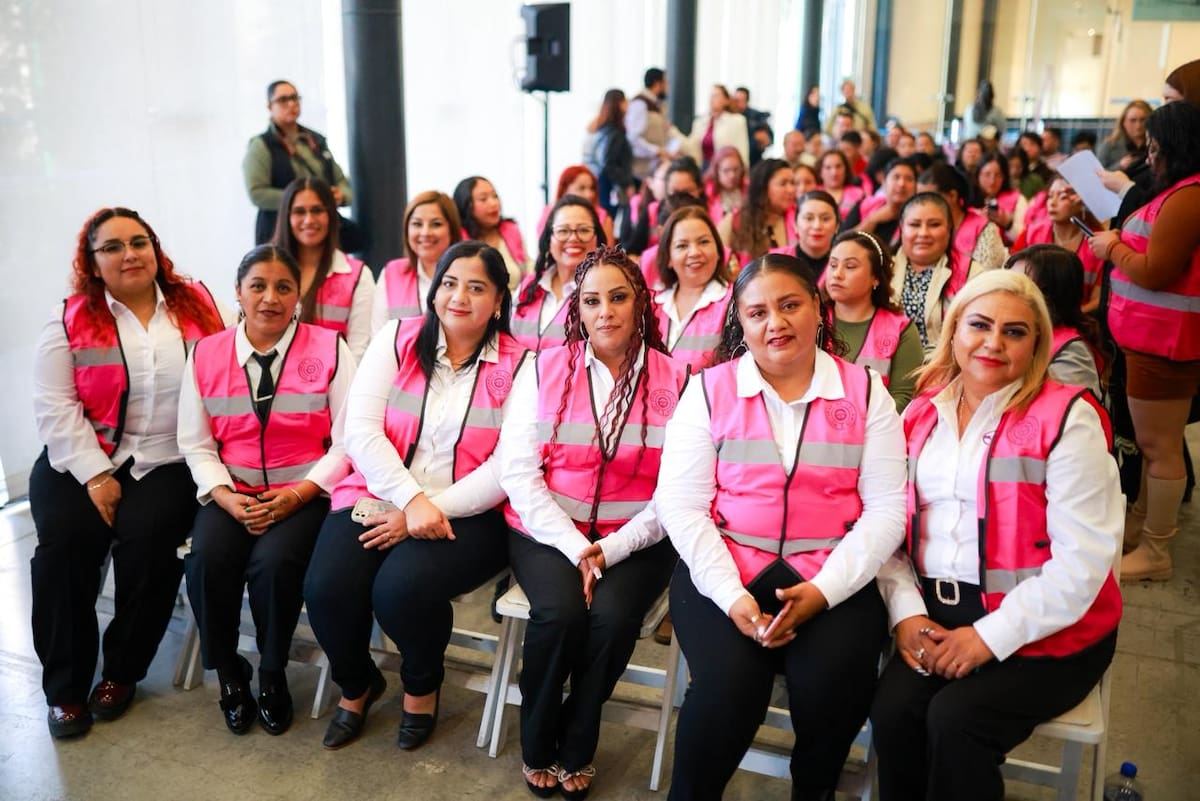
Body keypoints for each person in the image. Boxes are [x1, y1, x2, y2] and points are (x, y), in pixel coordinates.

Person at [656, 252, 906, 801]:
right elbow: (680, 504)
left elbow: (888, 507)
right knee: (727, 691)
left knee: (833, 689)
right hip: (726, 570)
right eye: (758, 312)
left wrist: (824, 591)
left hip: (831, 576)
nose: (777, 323)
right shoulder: (708, 390)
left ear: (817, 308)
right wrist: (730, 596)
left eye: (790, 305)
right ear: (741, 323)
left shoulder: (866, 393)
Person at [870, 269, 1122, 801]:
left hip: (1049, 629)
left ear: (1037, 344)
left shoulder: (1067, 418)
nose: (993, 342)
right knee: (894, 714)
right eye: (979, 325)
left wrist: (990, 636)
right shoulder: (921, 414)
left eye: (1015, 331)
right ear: (954, 329)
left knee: (956, 720)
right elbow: (891, 532)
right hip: (938, 616)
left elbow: (1083, 564)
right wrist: (907, 613)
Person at [304, 241, 527, 751]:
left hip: (469, 510)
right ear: (434, 289)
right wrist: (409, 501)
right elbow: (361, 431)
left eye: (476, 288)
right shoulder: (397, 339)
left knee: (400, 591)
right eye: (449, 283)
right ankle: (357, 685)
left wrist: (427, 510)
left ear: (498, 301)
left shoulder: (520, 365)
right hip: (380, 490)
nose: (459, 297)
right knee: (327, 588)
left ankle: (421, 688)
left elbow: (506, 467)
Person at [498, 245, 686, 799]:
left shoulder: (679, 379)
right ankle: (538, 739)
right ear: (577, 310)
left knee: (611, 619)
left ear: (641, 304)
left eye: (618, 297)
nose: (605, 311)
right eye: (591, 301)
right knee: (557, 615)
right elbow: (519, 473)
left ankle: (578, 737)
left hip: (636, 538)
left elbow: (674, 491)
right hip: (548, 531)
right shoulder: (543, 368)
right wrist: (577, 547)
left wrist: (611, 550)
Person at [30, 207, 226, 739]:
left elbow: (224, 375)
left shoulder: (199, 304)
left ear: (155, 249)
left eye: (139, 242)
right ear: (92, 263)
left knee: (148, 546)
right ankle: (65, 690)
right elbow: (53, 406)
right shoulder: (69, 316)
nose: (130, 254)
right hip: (78, 457)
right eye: (113, 247)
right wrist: (95, 474)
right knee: (64, 549)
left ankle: (121, 672)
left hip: (167, 459)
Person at [178, 245, 354, 736]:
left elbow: (348, 440)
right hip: (231, 491)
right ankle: (231, 673)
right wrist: (224, 495)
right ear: (238, 292)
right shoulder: (205, 354)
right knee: (207, 559)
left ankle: (272, 671)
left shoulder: (330, 348)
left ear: (299, 295)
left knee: (274, 565)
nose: (270, 298)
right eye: (258, 286)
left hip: (303, 493)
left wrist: (299, 494)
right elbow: (195, 444)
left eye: (283, 287)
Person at [1087, 100, 1200, 580]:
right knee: (1155, 445)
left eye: (1154, 147)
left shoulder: (1189, 197)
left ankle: (1156, 551)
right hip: (1146, 339)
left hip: (1165, 342)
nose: (1149, 155)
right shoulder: (1175, 191)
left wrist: (1111, 246)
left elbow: (1157, 272)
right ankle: (1139, 527)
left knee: (1160, 447)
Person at [273, 177, 375, 362]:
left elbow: (358, 353)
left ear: (332, 215)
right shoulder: (266, 271)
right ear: (286, 217)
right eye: (299, 211)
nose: (309, 220)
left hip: (334, 388)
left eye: (317, 210)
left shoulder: (358, 276)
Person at [243, 80, 355, 248]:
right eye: (283, 100)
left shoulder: (316, 140)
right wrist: (301, 200)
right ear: (269, 107)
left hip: (321, 232)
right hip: (280, 233)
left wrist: (341, 195)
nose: (291, 104)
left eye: (295, 98)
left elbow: (343, 183)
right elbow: (257, 193)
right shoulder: (262, 145)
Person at [826, 231, 923, 409]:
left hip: (876, 431)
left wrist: (858, 426)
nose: (837, 274)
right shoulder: (812, 320)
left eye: (850, 266)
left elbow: (904, 396)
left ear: (876, 278)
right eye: (833, 265)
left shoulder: (900, 329)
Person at [1005, 245, 1103, 398]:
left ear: (1050, 296)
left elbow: (1072, 411)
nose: (1004, 293)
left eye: (1019, 287)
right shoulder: (1006, 331)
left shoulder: (1072, 354)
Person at [512, 195, 607, 351]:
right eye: (563, 231)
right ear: (548, 239)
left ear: (597, 238)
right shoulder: (527, 287)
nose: (573, 238)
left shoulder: (604, 293)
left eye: (584, 230)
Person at [891, 192, 981, 353]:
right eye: (914, 224)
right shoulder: (883, 268)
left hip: (946, 367)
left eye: (934, 224)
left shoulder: (972, 273)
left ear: (949, 229)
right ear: (901, 228)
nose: (923, 233)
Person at [652, 207, 732, 371]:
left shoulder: (735, 302)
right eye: (682, 246)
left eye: (703, 242)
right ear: (668, 258)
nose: (694, 252)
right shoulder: (651, 306)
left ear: (718, 251)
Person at [370, 191, 462, 332]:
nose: (425, 233)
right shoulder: (392, 273)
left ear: (452, 229)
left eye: (436, 224)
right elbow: (378, 334)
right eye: (417, 224)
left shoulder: (470, 273)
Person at [1013, 176, 1104, 310]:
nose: (1052, 203)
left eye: (1062, 197)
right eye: (1050, 196)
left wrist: (1073, 318)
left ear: (1081, 202)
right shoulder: (1032, 233)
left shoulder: (1097, 242)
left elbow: (1099, 298)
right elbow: (1014, 278)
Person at [917, 162, 1008, 272]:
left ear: (952, 196)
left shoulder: (983, 229)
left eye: (930, 198)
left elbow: (986, 276)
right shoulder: (920, 228)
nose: (923, 205)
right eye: (919, 199)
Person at [719, 158, 797, 270]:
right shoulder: (736, 220)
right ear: (763, 188)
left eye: (792, 183)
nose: (791, 190)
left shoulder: (798, 218)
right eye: (783, 183)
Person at [454, 176, 529, 291]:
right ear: (466, 205)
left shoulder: (511, 230)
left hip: (517, 304)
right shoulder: (457, 239)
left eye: (495, 196)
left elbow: (528, 268)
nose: (494, 203)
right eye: (483, 199)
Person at [844, 157, 919, 249]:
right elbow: (842, 242)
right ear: (884, 182)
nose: (902, 184)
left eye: (909, 179)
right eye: (896, 177)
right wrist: (871, 220)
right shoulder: (865, 205)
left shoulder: (919, 217)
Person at [584, 89, 635, 218]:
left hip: (600, 184)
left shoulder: (600, 130)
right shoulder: (614, 133)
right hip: (609, 188)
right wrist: (626, 183)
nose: (628, 105)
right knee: (607, 222)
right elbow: (608, 164)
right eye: (625, 101)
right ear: (619, 103)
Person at [626, 68, 681, 183]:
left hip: (654, 169)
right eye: (665, 83)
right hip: (640, 172)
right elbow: (633, 138)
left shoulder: (657, 105)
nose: (667, 88)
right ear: (657, 84)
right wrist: (656, 150)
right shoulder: (640, 104)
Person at [534, 166, 615, 243]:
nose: (589, 194)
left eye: (592, 188)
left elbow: (608, 253)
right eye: (582, 188)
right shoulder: (548, 213)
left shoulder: (604, 218)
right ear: (565, 189)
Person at [684, 84, 750, 170]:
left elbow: (742, 150)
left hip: (726, 169)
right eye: (711, 96)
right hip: (703, 168)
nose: (712, 99)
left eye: (716, 96)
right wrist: (672, 131)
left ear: (726, 100)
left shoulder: (737, 121)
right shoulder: (700, 122)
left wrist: (744, 171)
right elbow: (690, 146)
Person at [976, 152, 1028, 245]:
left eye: (998, 175)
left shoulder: (1017, 199)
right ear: (978, 175)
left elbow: (1025, 238)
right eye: (987, 174)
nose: (992, 180)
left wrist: (1007, 223)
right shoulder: (967, 201)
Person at [787, 190, 840, 279]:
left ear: (837, 226)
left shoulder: (844, 264)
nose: (817, 226)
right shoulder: (776, 259)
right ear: (795, 224)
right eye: (809, 218)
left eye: (825, 219)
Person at [1096, 100, 1152, 172]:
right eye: (1133, 120)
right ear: (1123, 122)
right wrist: (1120, 165)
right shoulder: (1109, 145)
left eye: (1143, 120)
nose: (1138, 125)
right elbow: (1097, 175)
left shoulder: (1157, 145)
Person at [702, 145, 748, 225]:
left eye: (736, 169)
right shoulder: (706, 193)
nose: (732, 175)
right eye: (726, 171)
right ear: (717, 171)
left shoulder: (749, 189)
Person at [817, 149, 866, 219]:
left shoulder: (859, 193)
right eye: (828, 167)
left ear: (846, 169)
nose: (834, 173)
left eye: (838, 166)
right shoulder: (814, 193)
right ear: (820, 171)